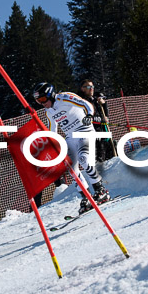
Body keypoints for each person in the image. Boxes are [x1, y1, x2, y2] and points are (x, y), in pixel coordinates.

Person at [32, 82, 111, 215]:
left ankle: (100, 190)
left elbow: (86, 104)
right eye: (38, 101)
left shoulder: (64, 97)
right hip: (70, 137)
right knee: (70, 167)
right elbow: (53, 130)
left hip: (85, 130)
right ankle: (85, 197)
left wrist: (89, 116)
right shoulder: (48, 111)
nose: (42, 103)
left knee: (84, 159)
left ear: (50, 95)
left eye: (43, 99)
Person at [78, 79, 116, 162]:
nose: (91, 88)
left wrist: (104, 104)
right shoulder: (82, 101)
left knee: (110, 151)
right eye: (88, 87)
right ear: (82, 88)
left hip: (102, 129)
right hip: (92, 132)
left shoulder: (95, 99)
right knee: (99, 156)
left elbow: (104, 114)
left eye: (92, 86)